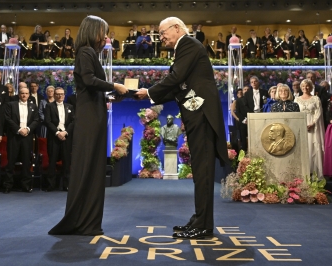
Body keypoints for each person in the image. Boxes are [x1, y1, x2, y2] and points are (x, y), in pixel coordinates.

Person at [135, 17, 229, 239]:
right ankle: (199, 219)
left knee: (203, 172)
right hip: (197, 115)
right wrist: (148, 97)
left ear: (176, 28)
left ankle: (204, 226)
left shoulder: (188, 44)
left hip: (202, 116)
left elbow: (176, 78)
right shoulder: (185, 48)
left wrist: (149, 92)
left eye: (162, 32)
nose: (161, 37)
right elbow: (178, 87)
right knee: (200, 171)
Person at [48, 15, 127, 236]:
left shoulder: (88, 53)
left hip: (94, 115)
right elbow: (90, 80)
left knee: (93, 169)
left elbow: (90, 88)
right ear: (93, 32)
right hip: (89, 119)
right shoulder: (85, 52)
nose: (106, 38)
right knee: (88, 169)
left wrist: (110, 96)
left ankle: (87, 222)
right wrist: (114, 85)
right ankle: (82, 221)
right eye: (104, 32)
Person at [3, 87, 39, 194]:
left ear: (29, 95)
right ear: (19, 94)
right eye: (22, 93)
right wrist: (19, 130)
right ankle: (7, 185)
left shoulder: (33, 106)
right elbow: (7, 119)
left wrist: (27, 129)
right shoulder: (11, 105)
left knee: (26, 161)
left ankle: (26, 185)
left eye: (26, 93)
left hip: (27, 136)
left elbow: (36, 120)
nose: (24, 95)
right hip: (14, 136)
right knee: (11, 161)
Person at [44, 87, 75, 191]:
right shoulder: (49, 106)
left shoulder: (70, 106)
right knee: (52, 162)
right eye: (57, 94)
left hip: (66, 137)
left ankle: (66, 185)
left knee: (66, 162)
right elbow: (47, 121)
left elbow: (73, 122)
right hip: (54, 137)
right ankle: (51, 185)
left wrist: (65, 132)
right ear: (54, 95)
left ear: (64, 95)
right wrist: (57, 133)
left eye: (61, 94)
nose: (60, 96)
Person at [295, 79, 325, 178]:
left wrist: (313, 123)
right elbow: (295, 113)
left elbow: (319, 112)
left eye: (307, 86)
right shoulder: (297, 99)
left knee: (313, 147)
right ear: (301, 88)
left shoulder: (316, 99)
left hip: (313, 126)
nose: (305, 88)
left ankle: (315, 172)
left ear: (311, 87)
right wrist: (302, 124)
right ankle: (303, 172)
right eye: (303, 86)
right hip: (301, 125)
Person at [234, 86, 250, 151]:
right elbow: (237, 111)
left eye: (247, 89)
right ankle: (244, 154)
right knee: (243, 138)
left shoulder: (251, 98)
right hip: (242, 122)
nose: (246, 91)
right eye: (245, 89)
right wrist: (243, 119)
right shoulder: (238, 100)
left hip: (251, 120)